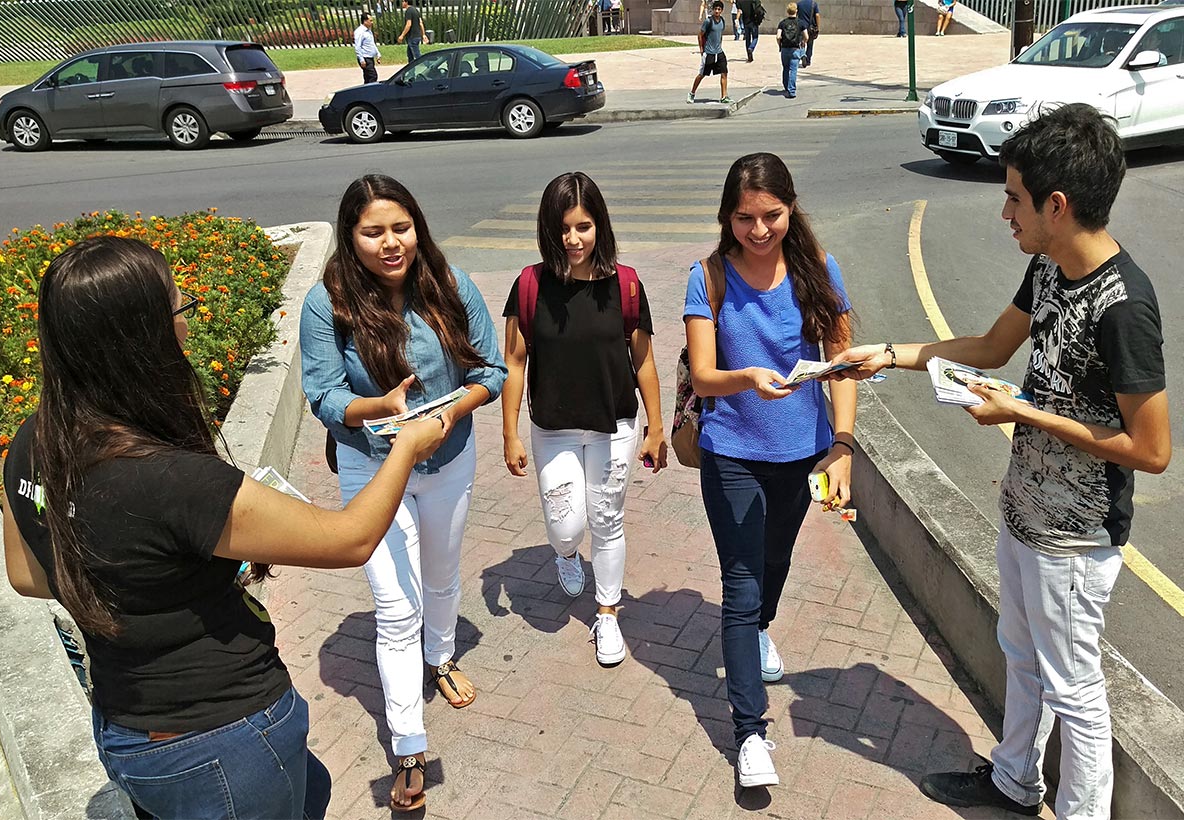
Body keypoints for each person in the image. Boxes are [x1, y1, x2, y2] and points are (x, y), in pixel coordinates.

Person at [2, 235, 447, 819]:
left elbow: (26, 575)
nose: (186, 324)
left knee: (310, 790)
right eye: (179, 310)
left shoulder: (35, 441)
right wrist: (407, 448)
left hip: (127, 730)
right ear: (143, 337)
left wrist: (150, 572)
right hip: (220, 736)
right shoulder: (171, 479)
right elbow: (350, 539)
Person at [828, 103, 1171, 819]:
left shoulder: (1125, 306)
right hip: (1023, 512)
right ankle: (1015, 781)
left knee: (1074, 688)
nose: (1004, 213)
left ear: (1058, 203)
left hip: (1076, 540)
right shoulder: (1048, 268)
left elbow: (1153, 450)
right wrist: (887, 354)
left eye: (1013, 197)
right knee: (1020, 655)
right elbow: (988, 350)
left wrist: (1021, 413)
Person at [299, 174, 506, 812]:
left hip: (447, 456)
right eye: (373, 232)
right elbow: (323, 394)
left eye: (401, 228)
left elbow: (491, 371)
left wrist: (447, 416)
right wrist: (374, 407)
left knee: (442, 574)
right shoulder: (325, 302)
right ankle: (409, 744)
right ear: (350, 236)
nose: (391, 244)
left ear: (417, 226)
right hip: (373, 466)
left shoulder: (451, 284)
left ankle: (440, 659)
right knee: (395, 608)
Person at [683, 153, 857, 788]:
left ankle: (759, 632)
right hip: (731, 450)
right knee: (741, 584)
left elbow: (840, 360)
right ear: (728, 217)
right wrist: (745, 378)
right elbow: (703, 376)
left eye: (771, 217)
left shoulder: (819, 269)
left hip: (802, 452)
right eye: (745, 218)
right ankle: (750, 733)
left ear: (790, 209)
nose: (758, 231)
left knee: (775, 564)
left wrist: (842, 446)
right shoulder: (708, 277)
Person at [500, 172, 668, 667]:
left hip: (614, 423)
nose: (573, 240)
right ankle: (567, 554)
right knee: (566, 525)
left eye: (584, 226)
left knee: (607, 519)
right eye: (563, 229)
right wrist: (509, 432)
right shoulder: (531, 285)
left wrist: (656, 428)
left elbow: (645, 363)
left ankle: (608, 613)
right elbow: (514, 362)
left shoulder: (627, 285)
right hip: (553, 427)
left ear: (601, 226)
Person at [689, 0, 731, 104]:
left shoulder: (722, 21)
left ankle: (724, 96)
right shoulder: (708, 21)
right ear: (712, 10)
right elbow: (700, 35)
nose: (717, 11)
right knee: (702, 74)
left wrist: (719, 45)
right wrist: (701, 49)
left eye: (719, 9)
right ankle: (692, 93)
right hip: (709, 52)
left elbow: (720, 35)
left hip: (719, 52)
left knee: (724, 73)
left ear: (721, 11)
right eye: (715, 9)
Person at [776, 3, 808, 98]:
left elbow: (778, 36)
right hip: (795, 49)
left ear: (787, 11)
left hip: (785, 49)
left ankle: (786, 86)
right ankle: (792, 91)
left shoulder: (782, 23)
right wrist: (803, 42)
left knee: (785, 68)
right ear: (796, 11)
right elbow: (806, 36)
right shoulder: (801, 23)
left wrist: (780, 45)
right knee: (793, 70)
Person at [353, 13, 380, 84]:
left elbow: (372, 43)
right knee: (373, 76)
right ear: (365, 21)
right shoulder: (359, 32)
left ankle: (365, 91)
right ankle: (371, 91)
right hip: (365, 58)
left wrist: (377, 54)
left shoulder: (368, 31)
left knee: (367, 77)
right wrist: (361, 60)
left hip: (370, 58)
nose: (372, 22)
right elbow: (357, 46)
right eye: (370, 21)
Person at [796, 0, 819, 66]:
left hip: (801, 27)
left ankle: (802, 55)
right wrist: (818, 27)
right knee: (810, 44)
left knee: (801, 43)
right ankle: (808, 60)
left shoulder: (799, 4)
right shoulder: (814, 4)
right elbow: (817, 15)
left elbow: (795, 14)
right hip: (810, 27)